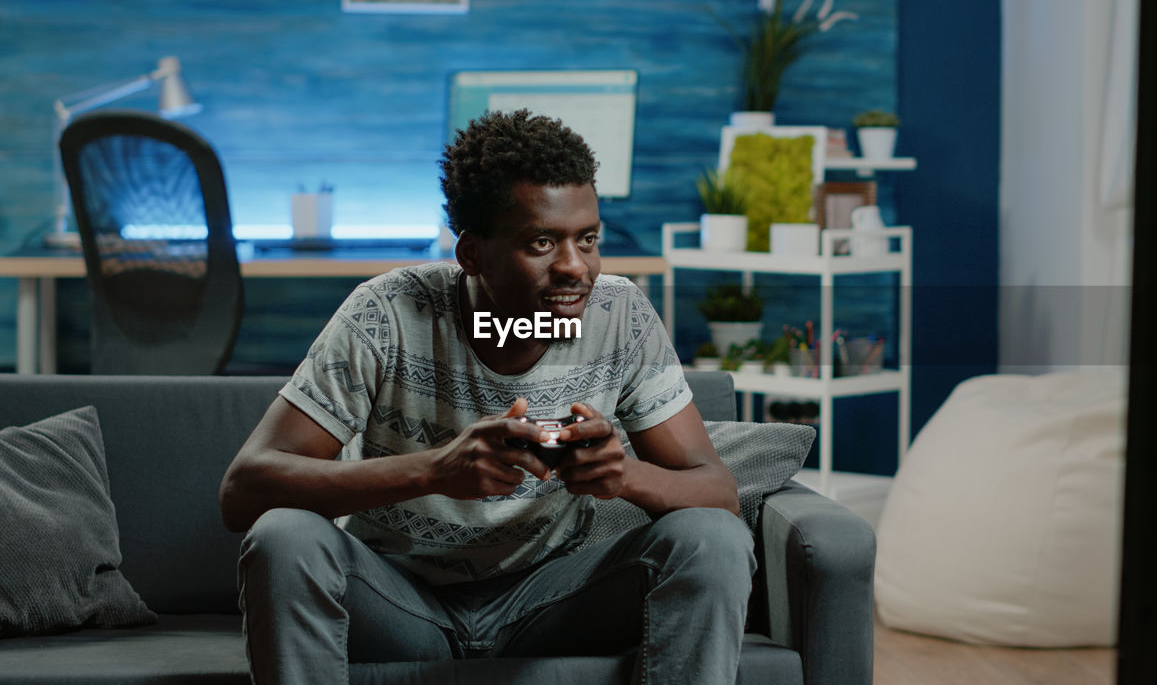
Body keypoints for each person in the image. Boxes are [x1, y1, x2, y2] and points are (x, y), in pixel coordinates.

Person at [218, 109, 755, 685]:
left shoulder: (620, 315)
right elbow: (243, 491)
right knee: (284, 537)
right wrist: (433, 469)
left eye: (588, 239)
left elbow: (718, 493)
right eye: (542, 242)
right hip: (398, 601)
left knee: (713, 538)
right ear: (472, 254)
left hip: (553, 600)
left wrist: (624, 475)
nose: (576, 268)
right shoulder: (387, 313)